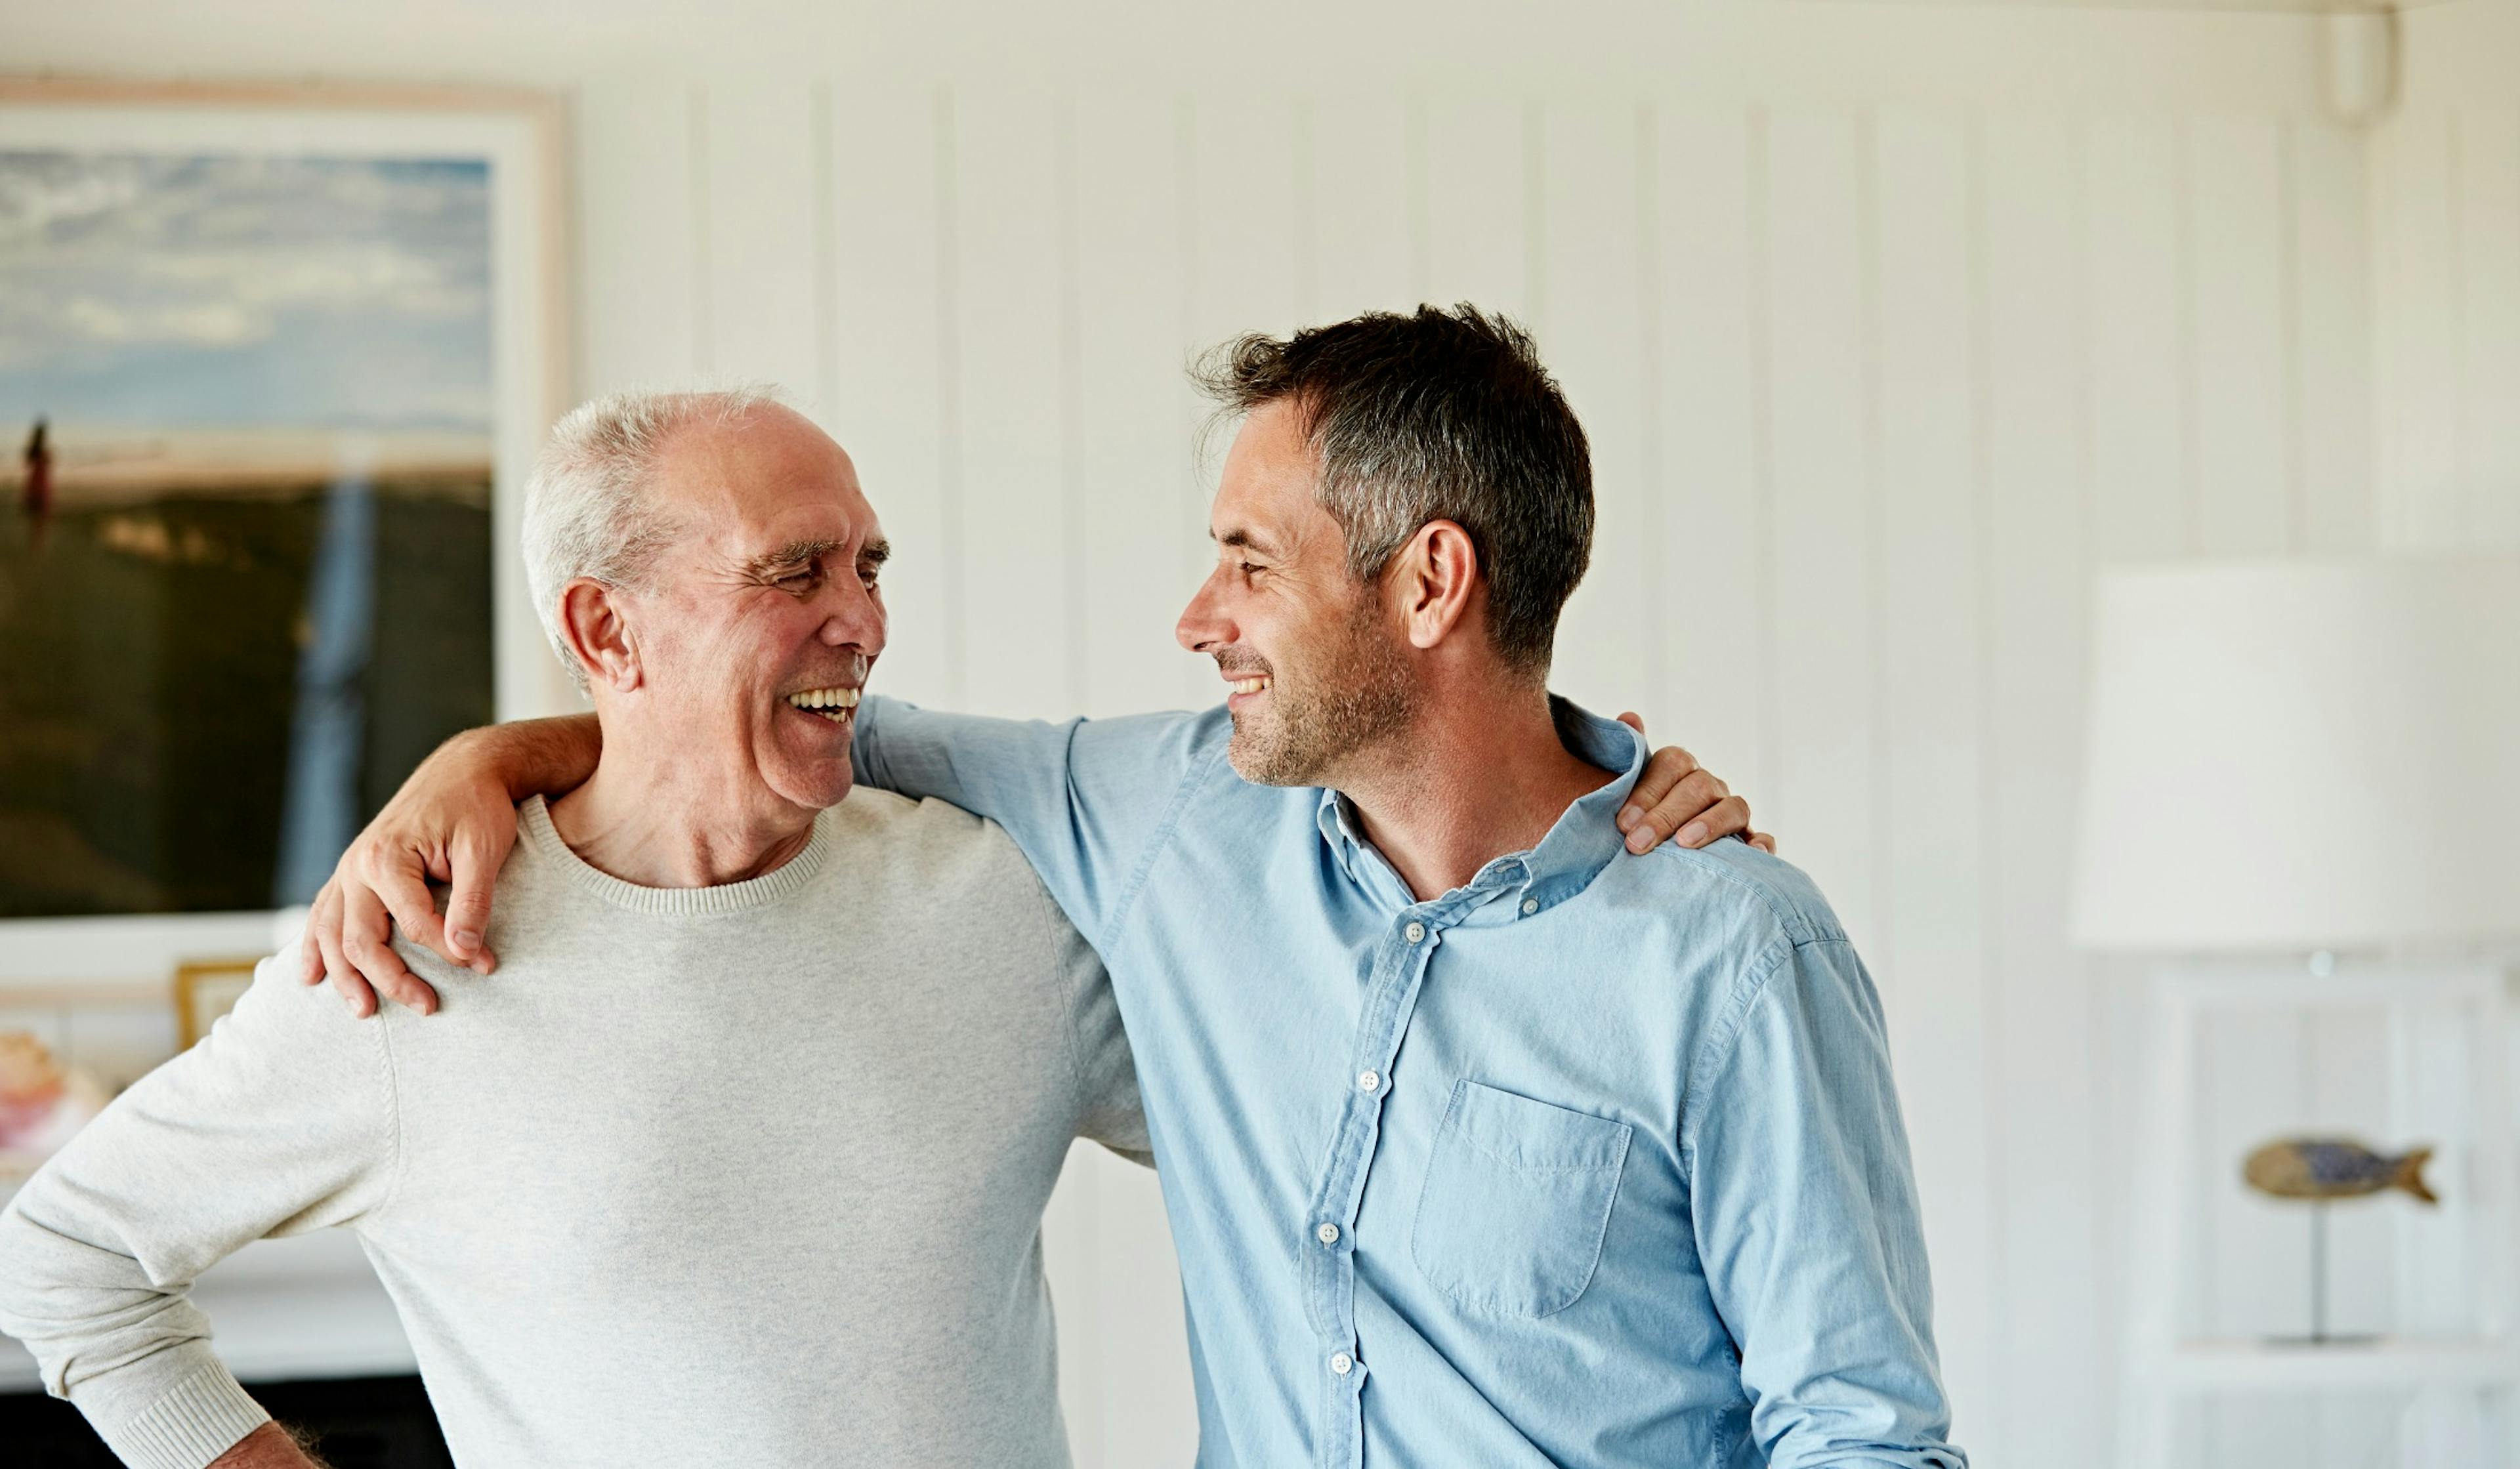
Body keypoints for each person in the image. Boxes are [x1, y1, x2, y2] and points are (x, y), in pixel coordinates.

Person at [313, 307, 1960, 1466]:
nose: (1197, 615)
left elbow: (1865, 1437)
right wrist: (488, 754)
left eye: (1250, 559)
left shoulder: (1732, 948)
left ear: (1431, 583)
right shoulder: (1173, 821)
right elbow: (774, 720)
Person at [0, 388, 1150, 1469]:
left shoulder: (1006, 908)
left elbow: (1304, 1154)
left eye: (869, 565)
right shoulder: (400, 965)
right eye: (794, 572)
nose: (865, 620)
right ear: (607, 631)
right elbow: (64, 1257)